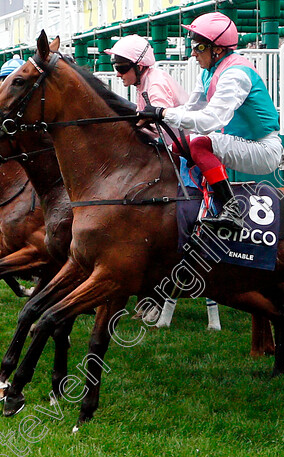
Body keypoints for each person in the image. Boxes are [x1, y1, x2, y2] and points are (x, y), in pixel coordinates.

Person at [105, 35, 222, 330]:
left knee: (183, 221)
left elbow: (161, 121)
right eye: (115, 67)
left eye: (121, 67)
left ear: (139, 65)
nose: (117, 74)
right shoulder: (143, 83)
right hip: (174, 151)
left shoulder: (154, 82)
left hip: (190, 155)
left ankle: (190, 262)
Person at [138, 12, 283, 230]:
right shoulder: (208, 72)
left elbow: (210, 120)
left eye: (199, 47)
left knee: (199, 144)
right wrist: (155, 116)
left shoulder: (236, 74)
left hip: (264, 148)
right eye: (192, 46)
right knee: (179, 145)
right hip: (243, 141)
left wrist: (163, 113)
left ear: (218, 49)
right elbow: (189, 110)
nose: (193, 53)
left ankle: (232, 210)